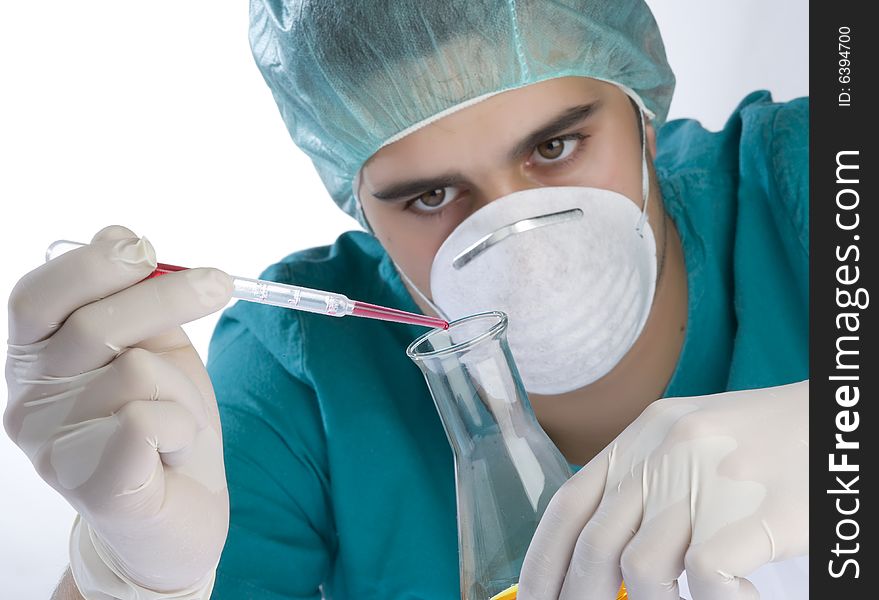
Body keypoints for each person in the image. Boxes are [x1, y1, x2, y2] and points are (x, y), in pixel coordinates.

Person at [4, 1, 808, 599]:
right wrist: (128, 577)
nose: (511, 235)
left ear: (638, 108)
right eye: (428, 196)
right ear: (359, 200)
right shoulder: (299, 366)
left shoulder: (809, 180)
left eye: (554, 146)